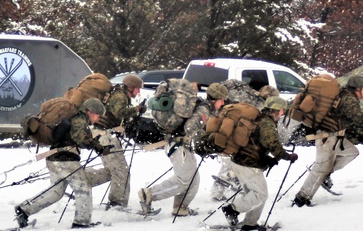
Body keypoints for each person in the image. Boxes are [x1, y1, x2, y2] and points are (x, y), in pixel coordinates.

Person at [15, 98, 112, 229]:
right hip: (66, 161)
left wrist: (94, 142)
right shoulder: (79, 119)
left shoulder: (77, 119)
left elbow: (78, 137)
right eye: (98, 115)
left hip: (55, 159)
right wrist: (98, 147)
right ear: (90, 112)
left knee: (56, 192)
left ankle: (24, 209)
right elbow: (81, 138)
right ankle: (82, 222)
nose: (98, 119)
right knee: (83, 187)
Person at [138, 81, 217, 218]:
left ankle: (180, 208)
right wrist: (203, 142)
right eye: (222, 101)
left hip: (179, 145)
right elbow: (190, 128)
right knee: (183, 181)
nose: (223, 104)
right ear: (217, 99)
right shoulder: (203, 109)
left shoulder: (198, 105)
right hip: (178, 147)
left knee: (193, 180)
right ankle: (149, 194)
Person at [220, 96, 298, 231]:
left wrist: (267, 158)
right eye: (281, 111)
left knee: (254, 193)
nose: (282, 114)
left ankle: (250, 223)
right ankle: (232, 209)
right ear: (276, 110)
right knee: (260, 195)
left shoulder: (259, 119)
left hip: (241, 160)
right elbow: (272, 143)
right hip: (247, 163)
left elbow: (258, 143)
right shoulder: (266, 123)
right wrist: (286, 156)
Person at [293, 74, 363, 207]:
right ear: (359, 89)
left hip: (334, 135)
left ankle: (325, 175)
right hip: (327, 137)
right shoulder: (349, 99)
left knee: (351, 152)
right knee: (321, 168)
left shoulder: (346, 96)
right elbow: (359, 119)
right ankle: (302, 198)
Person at [210, 82, 278, 201]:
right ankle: (218, 191)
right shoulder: (259, 105)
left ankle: (220, 190)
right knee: (231, 165)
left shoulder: (248, 94)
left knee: (228, 163)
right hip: (236, 135)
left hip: (225, 129)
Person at [85, 74, 144, 209]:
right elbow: (118, 113)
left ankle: (82, 179)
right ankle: (117, 203)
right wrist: (136, 110)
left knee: (111, 170)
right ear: (130, 87)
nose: (138, 92)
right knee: (121, 171)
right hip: (105, 136)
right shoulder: (120, 96)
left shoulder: (119, 94)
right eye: (137, 89)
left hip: (103, 135)